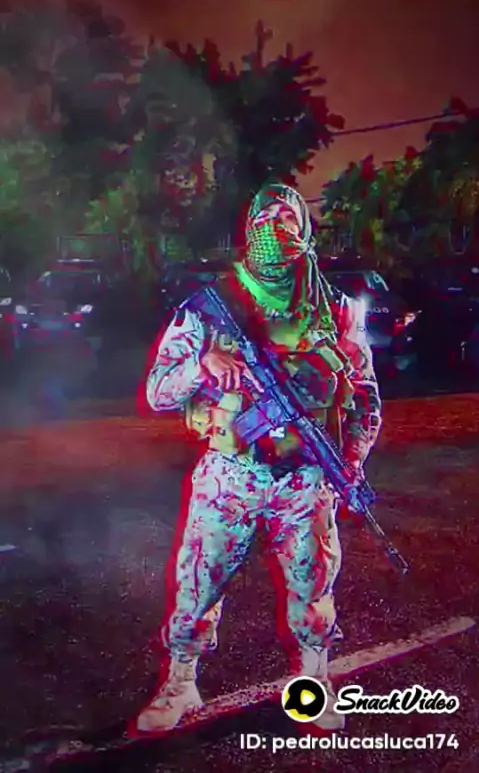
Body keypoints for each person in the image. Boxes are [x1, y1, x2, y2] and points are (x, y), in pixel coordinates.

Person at [134, 183, 382, 734]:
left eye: (287, 217)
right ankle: (180, 683)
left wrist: (351, 463)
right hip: (230, 474)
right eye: (264, 217)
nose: (275, 226)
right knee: (198, 584)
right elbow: (157, 391)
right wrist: (202, 365)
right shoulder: (213, 305)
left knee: (313, 586)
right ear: (248, 228)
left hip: (305, 480)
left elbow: (365, 396)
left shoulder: (336, 310)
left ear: (305, 230)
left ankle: (313, 681)